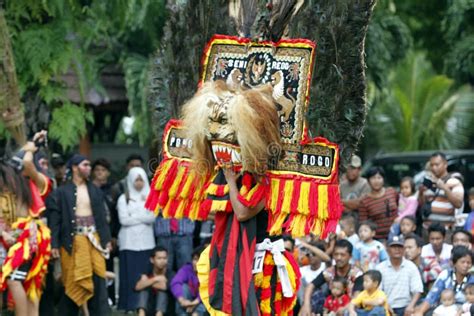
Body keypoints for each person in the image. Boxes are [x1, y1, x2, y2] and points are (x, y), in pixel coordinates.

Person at [48, 154, 112, 316]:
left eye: (89, 165)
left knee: (99, 282)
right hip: (72, 243)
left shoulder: (95, 190)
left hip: (94, 241)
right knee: (72, 283)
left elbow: (102, 219)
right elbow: (55, 221)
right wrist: (54, 244)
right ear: (75, 167)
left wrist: (106, 240)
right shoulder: (61, 192)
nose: (89, 168)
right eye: (85, 165)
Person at [0, 146, 51, 316]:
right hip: (23, 234)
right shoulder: (16, 187)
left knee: (14, 279)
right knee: (30, 285)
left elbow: (28, 163)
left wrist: (29, 146)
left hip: (32, 235)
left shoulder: (40, 181)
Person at [117, 167, 156, 312]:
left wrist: (134, 216)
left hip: (146, 243)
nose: (139, 183)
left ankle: (143, 306)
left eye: (141, 179)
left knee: (145, 273)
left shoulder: (151, 196)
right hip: (129, 243)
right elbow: (124, 220)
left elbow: (152, 217)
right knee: (129, 275)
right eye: (136, 180)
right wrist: (142, 216)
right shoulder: (123, 198)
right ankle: (128, 305)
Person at [300, 240, 363, 316]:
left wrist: (345, 308)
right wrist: (306, 305)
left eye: (342, 255)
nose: (339, 258)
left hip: (351, 308)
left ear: (350, 256)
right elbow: (311, 286)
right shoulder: (329, 271)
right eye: (336, 254)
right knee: (311, 300)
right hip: (331, 307)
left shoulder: (357, 274)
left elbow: (357, 297)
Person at [414, 246, 474, 316]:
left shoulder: (472, 279)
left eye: (468, 263)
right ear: (454, 263)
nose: (466, 265)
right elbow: (432, 296)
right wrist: (420, 312)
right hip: (443, 310)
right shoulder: (446, 275)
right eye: (462, 262)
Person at [91, 158, 118, 306]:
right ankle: (96, 299)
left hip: (109, 233)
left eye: (103, 170)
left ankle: (111, 299)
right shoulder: (88, 189)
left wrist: (114, 235)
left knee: (108, 266)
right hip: (92, 233)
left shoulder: (113, 190)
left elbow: (116, 215)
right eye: (97, 170)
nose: (100, 173)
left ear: (107, 173)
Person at [376, 235, 423, 316]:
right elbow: (377, 291)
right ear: (387, 249)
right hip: (385, 306)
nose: (397, 249)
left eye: (399, 247)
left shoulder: (411, 267)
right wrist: (385, 305)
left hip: (406, 307)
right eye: (393, 247)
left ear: (404, 249)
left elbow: (418, 290)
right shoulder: (380, 268)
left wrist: (410, 306)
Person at [420, 152, 464, 229]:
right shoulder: (429, 182)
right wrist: (421, 193)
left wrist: (445, 188)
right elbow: (423, 204)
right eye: (431, 165)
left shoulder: (454, 182)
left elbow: (458, 204)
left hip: (446, 230)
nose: (434, 168)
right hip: (428, 229)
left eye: (437, 165)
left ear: (445, 164)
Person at [359, 167, 398, 240]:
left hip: (396, 234)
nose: (376, 181)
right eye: (373, 178)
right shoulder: (364, 201)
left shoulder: (392, 192)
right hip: (377, 238)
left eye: (379, 178)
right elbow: (363, 223)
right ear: (368, 181)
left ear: (383, 179)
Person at [136, 246, 172, 316]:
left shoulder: (170, 273)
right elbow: (137, 287)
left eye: (164, 258)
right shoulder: (147, 271)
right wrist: (156, 279)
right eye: (159, 258)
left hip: (166, 309)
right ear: (152, 260)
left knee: (162, 291)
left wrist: (147, 282)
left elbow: (165, 287)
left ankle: (159, 314)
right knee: (144, 290)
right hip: (149, 307)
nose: (162, 261)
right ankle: (141, 314)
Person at [171, 247, 206, 316]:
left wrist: (193, 304)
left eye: (199, 260)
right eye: (195, 259)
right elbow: (175, 282)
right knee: (183, 287)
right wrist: (182, 300)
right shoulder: (187, 269)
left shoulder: (208, 272)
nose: (196, 263)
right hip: (187, 303)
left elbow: (206, 291)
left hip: (200, 302)